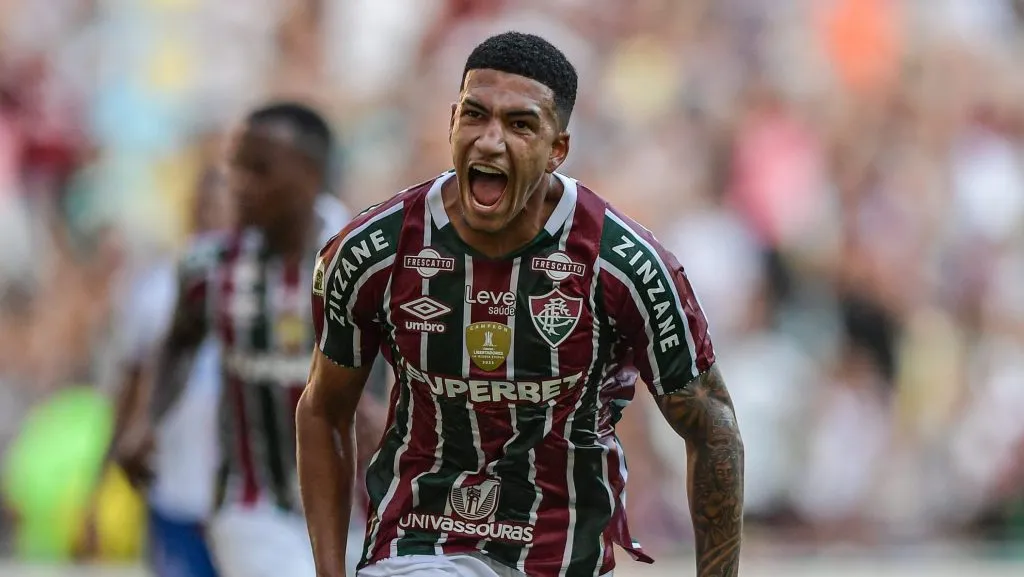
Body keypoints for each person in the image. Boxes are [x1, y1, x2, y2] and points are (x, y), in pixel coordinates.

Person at [298, 32, 745, 577]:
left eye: (520, 125)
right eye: (475, 116)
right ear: (451, 123)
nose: (489, 141)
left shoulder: (625, 265)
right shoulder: (375, 250)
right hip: (419, 546)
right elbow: (324, 408)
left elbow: (712, 426)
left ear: (558, 149)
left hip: (561, 558)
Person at [122, 102, 383, 577]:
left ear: (311, 175)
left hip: (362, 508)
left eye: (259, 169)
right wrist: (148, 419)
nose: (238, 184)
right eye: (235, 167)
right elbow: (180, 343)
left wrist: (387, 412)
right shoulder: (209, 265)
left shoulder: (368, 259)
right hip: (252, 503)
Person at [106, 166, 229, 577]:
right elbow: (131, 380)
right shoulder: (156, 288)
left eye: (222, 204)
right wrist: (120, 447)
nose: (211, 215)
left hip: (242, 495)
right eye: (204, 204)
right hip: (175, 485)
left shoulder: (266, 284)